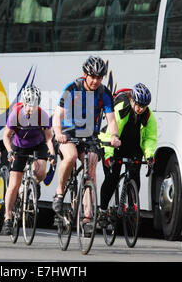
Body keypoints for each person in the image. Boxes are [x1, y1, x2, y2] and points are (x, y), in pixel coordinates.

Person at [52, 55, 121, 235]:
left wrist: (114, 135)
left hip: (90, 135)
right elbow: (57, 116)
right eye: (93, 77)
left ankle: (87, 218)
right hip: (68, 133)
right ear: (85, 75)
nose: (96, 81)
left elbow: (111, 120)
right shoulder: (72, 88)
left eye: (99, 77)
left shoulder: (103, 93)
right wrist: (58, 133)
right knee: (71, 157)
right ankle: (59, 192)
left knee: (91, 169)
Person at [98, 83, 157, 226]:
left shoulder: (148, 115)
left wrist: (149, 156)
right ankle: (103, 211)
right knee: (112, 178)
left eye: (144, 106)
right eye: (138, 105)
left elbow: (150, 138)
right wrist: (108, 156)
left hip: (133, 146)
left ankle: (132, 207)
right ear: (132, 100)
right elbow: (111, 134)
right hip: (113, 144)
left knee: (135, 173)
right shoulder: (122, 108)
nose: (140, 109)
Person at [1, 85, 56, 235]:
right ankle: (8, 217)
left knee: (40, 171)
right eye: (28, 106)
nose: (31, 110)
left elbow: (49, 137)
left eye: (34, 106)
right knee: (13, 184)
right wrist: (10, 151)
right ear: (23, 104)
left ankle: (34, 183)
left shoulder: (42, 115)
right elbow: (6, 136)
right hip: (19, 146)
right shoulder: (16, 115)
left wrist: (52, 154)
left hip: (38, 144)